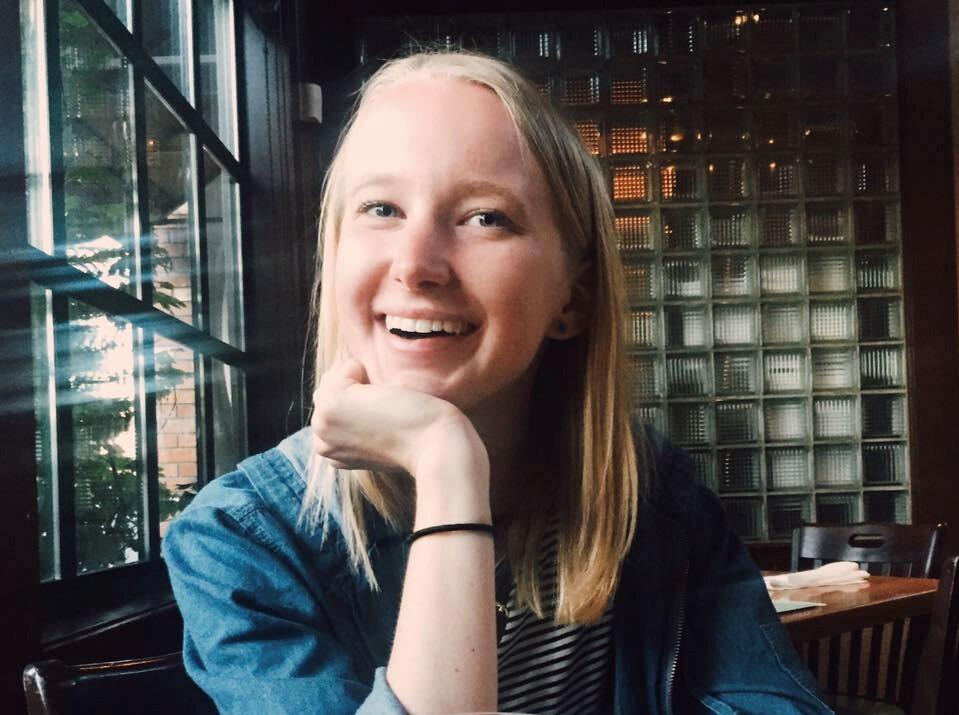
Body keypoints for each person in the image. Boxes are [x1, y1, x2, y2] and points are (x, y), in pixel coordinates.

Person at [163, 50, 833, 714]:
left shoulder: (653, 495)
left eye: (485, 217)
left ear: (571, 299)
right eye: (380, 209)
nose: (416, 263)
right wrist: (445, 462)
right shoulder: (240, 541)